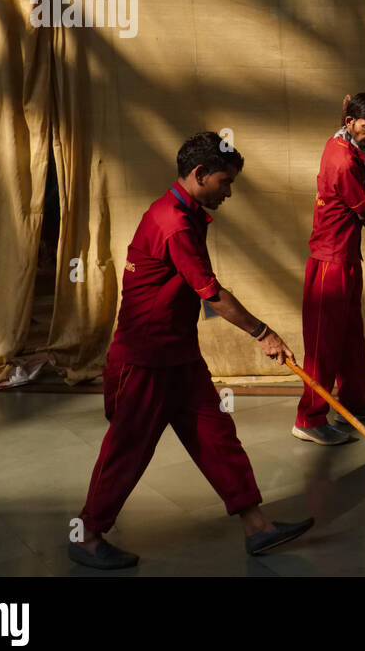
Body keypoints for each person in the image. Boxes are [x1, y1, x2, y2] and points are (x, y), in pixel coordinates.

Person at [69, 132, 314, 570]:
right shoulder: (174, 222)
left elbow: (200, 291)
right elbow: (212, 293)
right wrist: (264, 334)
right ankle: (87, 535)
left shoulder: (188, 213)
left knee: (216, 437)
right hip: (143, 361)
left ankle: (256, 527)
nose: (229, 191)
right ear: (199, 175)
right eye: (225, 181)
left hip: (179, 356)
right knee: (128, 449)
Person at [292, 93, 365, 444]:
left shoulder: (347, 148)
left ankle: (353, 403)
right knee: (323, 347)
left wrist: (362, 151)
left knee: (352, 337)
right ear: (349, 122)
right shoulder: (343, 160)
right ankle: (309, 419)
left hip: (347, 259)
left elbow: (356, 155)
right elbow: (363, 210)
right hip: (328, 264)